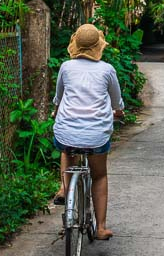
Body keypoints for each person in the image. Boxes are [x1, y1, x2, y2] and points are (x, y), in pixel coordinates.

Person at [51, 23, 124, 240]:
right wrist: (118, 112)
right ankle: (100, 227)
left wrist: (57, 113)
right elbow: (117, 102)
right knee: (99, 174)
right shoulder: (107, 69)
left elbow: (59, 98)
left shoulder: (66, 67)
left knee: (66, 149)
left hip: (67, 130)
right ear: (98, 46)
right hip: (96, 135)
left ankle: (64, 188)